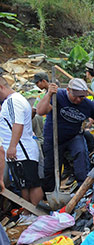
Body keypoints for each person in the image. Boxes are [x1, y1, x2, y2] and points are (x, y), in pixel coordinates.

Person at [35, 78, 94, 192]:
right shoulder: (57, 96)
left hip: (73, 136)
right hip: (53, 137)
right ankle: (50, 193)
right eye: (75, 96)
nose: (78, 100)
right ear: (68, 90)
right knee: (51, 167)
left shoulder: (88, 105)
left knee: (81, 153)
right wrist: (49, 94)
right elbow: (40, 111)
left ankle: (84, 188)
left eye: (81, 97)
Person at [0, 77, 43, 206]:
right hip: (21, 150)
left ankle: (34, 212)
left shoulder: (12, 102)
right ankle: (28, 211)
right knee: (24, 184)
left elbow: (18, 124)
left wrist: (12, 147)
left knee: (32, 184)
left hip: (21, 150)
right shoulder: (16, 100)